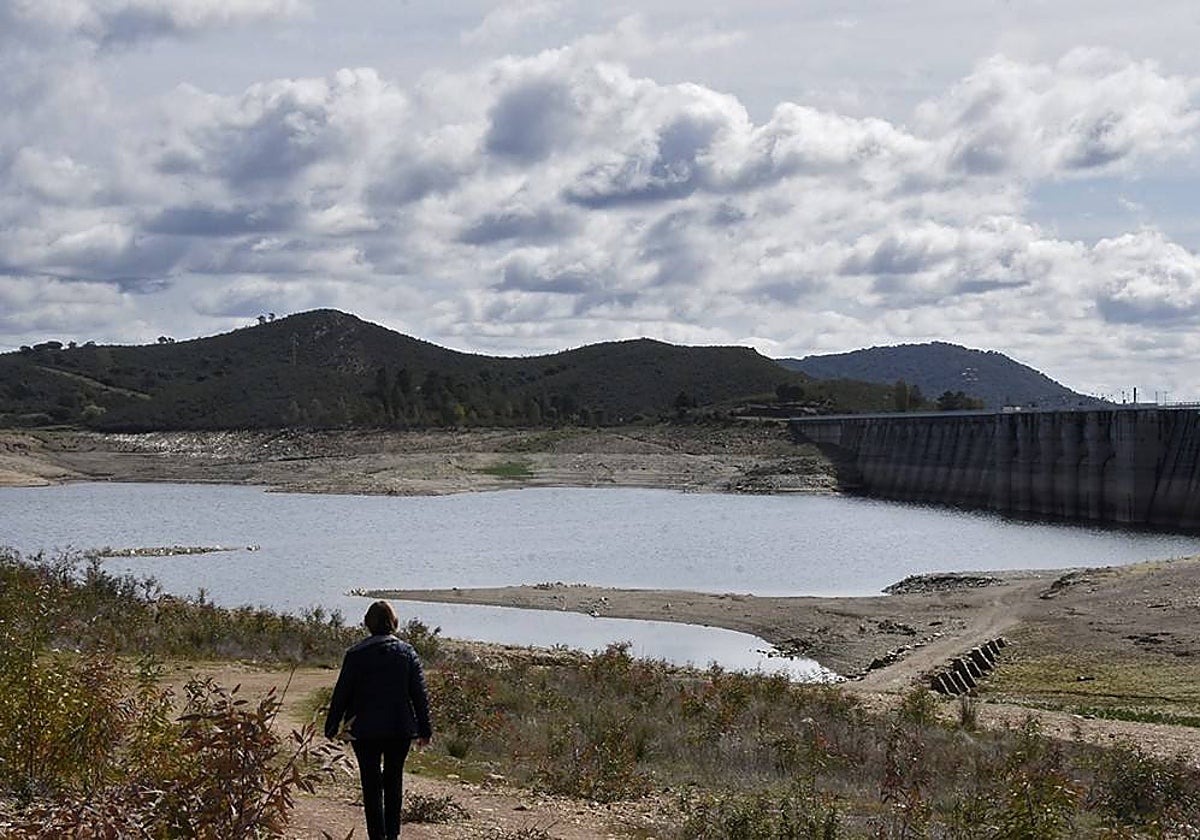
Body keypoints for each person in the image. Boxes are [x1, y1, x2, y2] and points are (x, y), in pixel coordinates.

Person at [325, 600, 433, 840]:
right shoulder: (407, 653)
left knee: (371, 783)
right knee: (394, 780)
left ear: (367, 624)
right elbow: (419, 694)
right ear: (393, 622)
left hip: (364, 730)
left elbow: (342, 692)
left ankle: (377, 835)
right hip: (399, 728)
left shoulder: (355, 654)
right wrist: (425, 729)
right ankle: (392, 835)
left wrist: (332, 725)